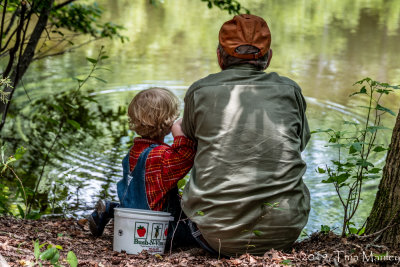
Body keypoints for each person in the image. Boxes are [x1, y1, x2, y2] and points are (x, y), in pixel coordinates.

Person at [180, 14, 311, 256]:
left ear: (219, 56)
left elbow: (188, 143)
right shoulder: (290, 90)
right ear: (268, 57)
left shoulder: (200, 91)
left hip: (215, 236)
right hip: (285, 233)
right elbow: (299, 144)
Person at [88, 87, 197, 248]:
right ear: (168, 122)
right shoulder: (162, 157)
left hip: (133, 216)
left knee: (136, 202)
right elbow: (186, 156)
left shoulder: (134, 152)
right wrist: (179, 135)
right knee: (194, 233)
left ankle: (112, 209)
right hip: (156, 229)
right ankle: (113, 210)